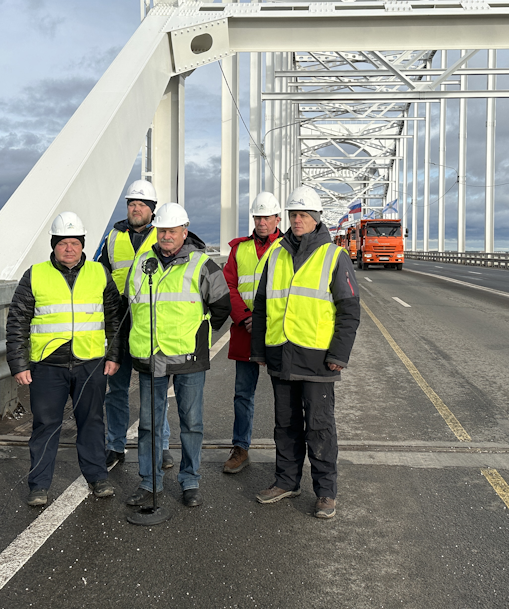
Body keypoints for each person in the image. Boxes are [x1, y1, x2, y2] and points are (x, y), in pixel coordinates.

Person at [251, 186, 360, 519]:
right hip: (281, 354)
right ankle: (287, 481)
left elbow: (349, 310)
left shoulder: (334, 256)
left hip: (317, 359)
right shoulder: (276, 255)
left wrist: (338, 355)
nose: (296, 220)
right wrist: (259, 350)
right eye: (293, 215)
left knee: (319, 427)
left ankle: (325, 492)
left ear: (316, 219)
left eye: (303, 215)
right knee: (285, 425)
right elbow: (261, 307)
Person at [6, 212, 121, 507]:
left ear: (82, 245)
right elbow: (17, 321)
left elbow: (114, 318)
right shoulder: (35, 275)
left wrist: (114, 355)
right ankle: (39, 485)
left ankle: (98, 478)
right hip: (47, 366)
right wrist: (19, 364)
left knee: (92, 422)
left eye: (74, 243)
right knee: (45, 425)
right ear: (53, 245)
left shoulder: (99, 273)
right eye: (62, 243)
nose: (69, 248)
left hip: (90, 363)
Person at [124, 202, 230, 508]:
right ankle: (150, 482)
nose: (166, 236)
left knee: (191, 423)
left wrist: (199, 334)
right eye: (162, 231)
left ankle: (190, 481)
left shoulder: (202, 265)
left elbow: (221, 306)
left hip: (188, 357)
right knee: (149, 424)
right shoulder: (142, 263)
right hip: (150, 355)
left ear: (185, 231)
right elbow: (129, 306)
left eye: (172, 231)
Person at [98, 179, 172, 471]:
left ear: (152, 209)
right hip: (119, 323)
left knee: (154, 389)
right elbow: (99, 275)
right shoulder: (112, 238)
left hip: (151, 323)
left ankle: (161, 446)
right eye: (132, 204)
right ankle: (115, 445)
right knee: (116, 388)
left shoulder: (163, 235)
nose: (136, 208)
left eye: (142, 204)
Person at [220, 191, 283, 474]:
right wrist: (246, 317)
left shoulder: (287, 247)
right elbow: (228, 286)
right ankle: (240, 448)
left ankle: (287, 454)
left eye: (267, 217)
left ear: (277, 219)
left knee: (285, 397)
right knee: (243, 394)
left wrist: (263, 319)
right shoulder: (239, 249)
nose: (261, 222)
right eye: (258, 217)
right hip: (246, 330)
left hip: (277, 331)